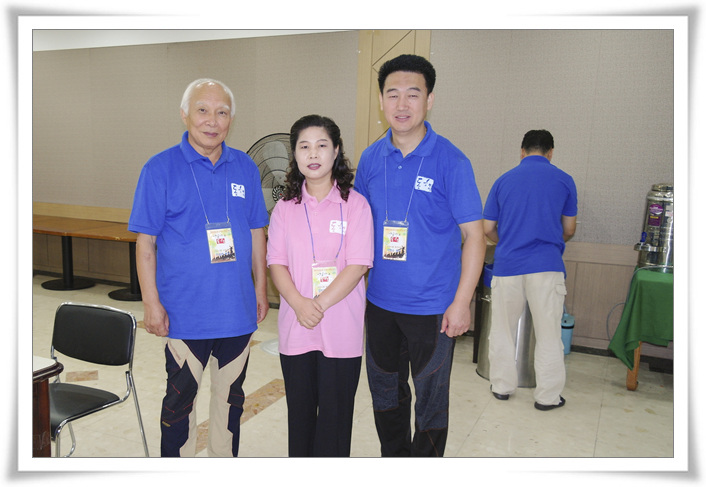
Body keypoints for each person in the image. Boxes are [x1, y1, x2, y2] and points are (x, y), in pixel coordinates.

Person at [128, 78, 269, 456]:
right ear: (184, 114)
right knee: (179, 407)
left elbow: (257, 231)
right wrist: (151, 303)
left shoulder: (245, 167)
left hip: (236, 313)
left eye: (222, 112)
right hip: (184, 314)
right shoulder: (159, 168)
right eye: (202, 110)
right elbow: (146, 243)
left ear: (231, 119)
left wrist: (260, 289)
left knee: (230, 403)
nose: (212, 120)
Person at [354, 54, 486, 456]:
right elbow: (356, 229)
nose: (402, 104)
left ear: (429, 100)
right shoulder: (370, 159)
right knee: (385, 396)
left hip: (433, 309)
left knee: (430, 402)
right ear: (381, 100)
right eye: (392, 94)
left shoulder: (452, 161)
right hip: (380, 304)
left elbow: (475, 237)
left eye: (413, 94)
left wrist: (462, 303)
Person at [267, 114, 373, 456]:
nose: (313, 154)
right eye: (304, 147)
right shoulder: (284, 209)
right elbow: (276, 263)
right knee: (300, 420)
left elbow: (358, 264)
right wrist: (300, 304)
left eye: (322, 145)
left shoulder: (356, 205)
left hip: (341, 329)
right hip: (297, 328)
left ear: (336, 151)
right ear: (295, 155)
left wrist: (318, 305)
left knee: (335, 424)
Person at [482, 129, 578, 411]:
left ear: (522, 151)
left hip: (508, 266)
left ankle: (501, 386)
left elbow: (487, 228)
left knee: (502, 329)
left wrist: (509, 240)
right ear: (550, 153)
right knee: (549, 333)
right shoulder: (564, 180)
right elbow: (569, 229)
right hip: (547, 267)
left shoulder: (503, 180)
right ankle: (547, 397)